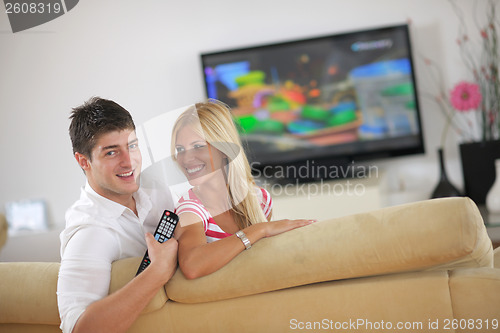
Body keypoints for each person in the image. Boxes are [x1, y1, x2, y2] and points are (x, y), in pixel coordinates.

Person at [57, 97, 178, 333]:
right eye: (112, 153)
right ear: (84, 161)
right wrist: (157, 273)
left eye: (132, 146)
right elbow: (78, 328)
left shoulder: (154, 188)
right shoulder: (90, 232)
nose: (129, 162)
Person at [171, 100, 315, 279]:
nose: (186, 158)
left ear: (224, 149)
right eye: (180, 149)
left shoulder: (260, 199)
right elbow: (192, 266)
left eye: (198, 146)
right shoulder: (190, 210)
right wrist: (259, 230)